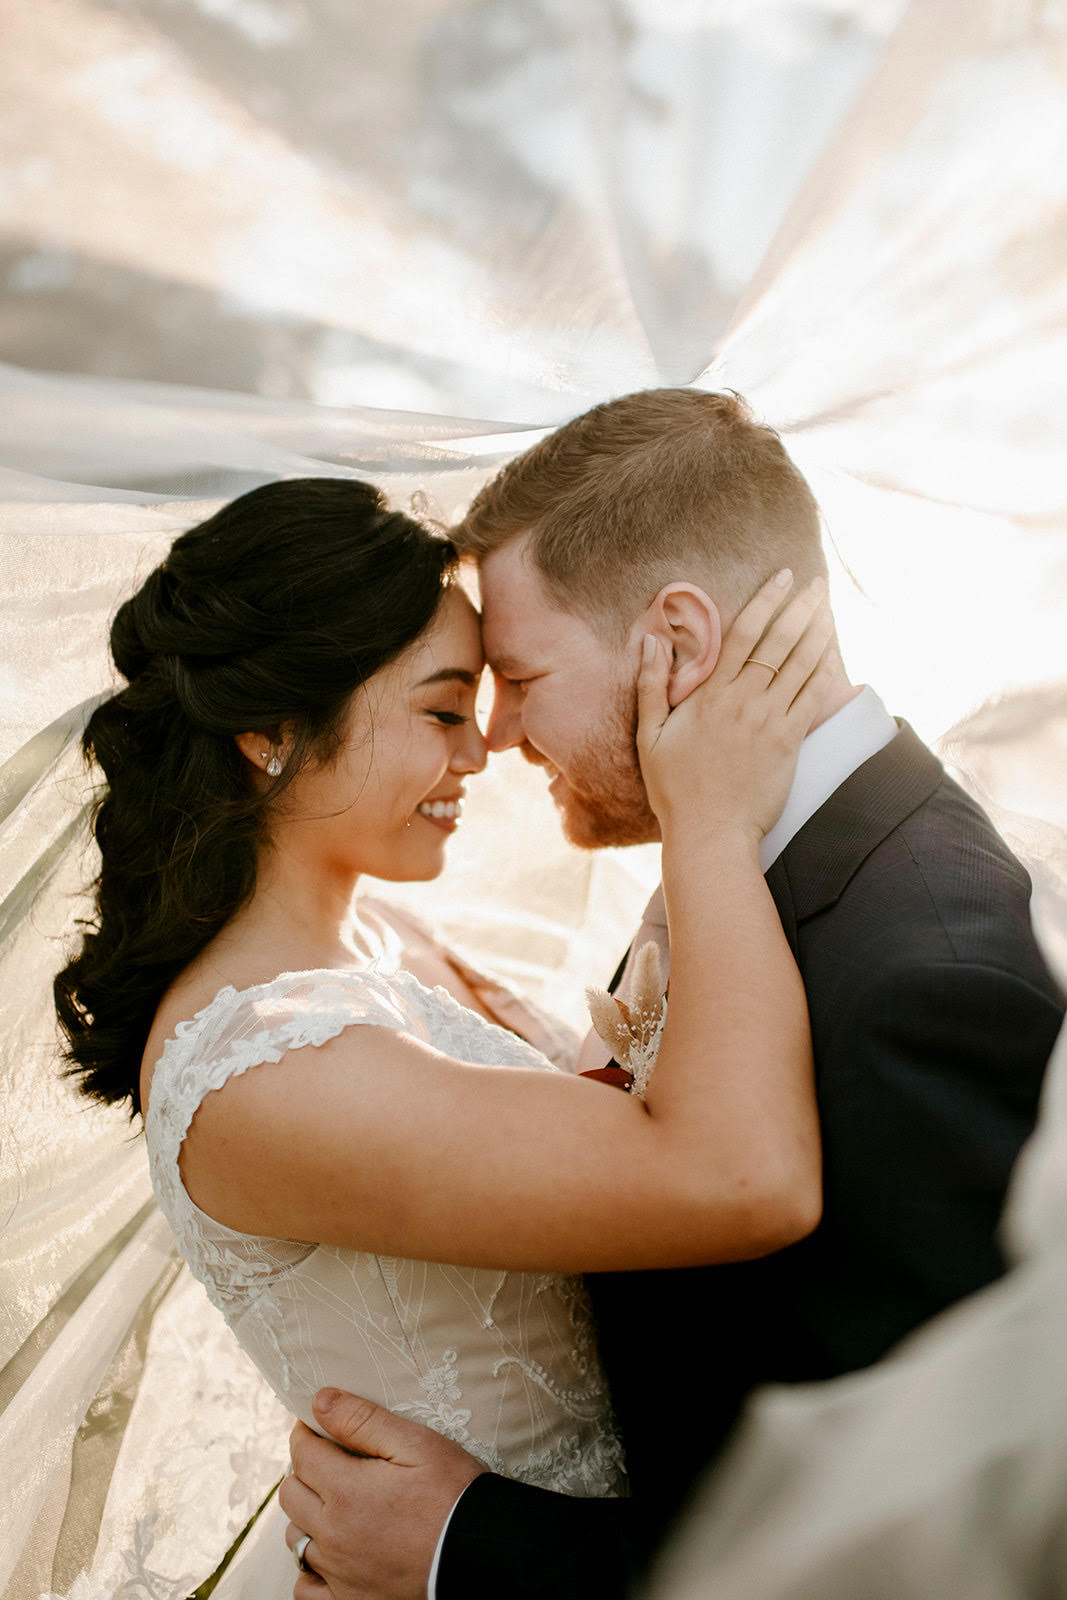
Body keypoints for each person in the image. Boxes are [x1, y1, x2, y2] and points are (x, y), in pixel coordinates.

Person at [279, 389, 1065, 1600]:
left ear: (677, 645)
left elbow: (939, 1557)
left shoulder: (923, 982)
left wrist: (464, 1546)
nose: (498, 736)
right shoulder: (751, 870)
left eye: (522, 675)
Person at [54, 473, 837, 1599]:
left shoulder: (379, 936)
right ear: (270, 732)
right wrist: (708, 821)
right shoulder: (265, 1074)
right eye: (438, 710)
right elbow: (741, 1174)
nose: (480, 753)